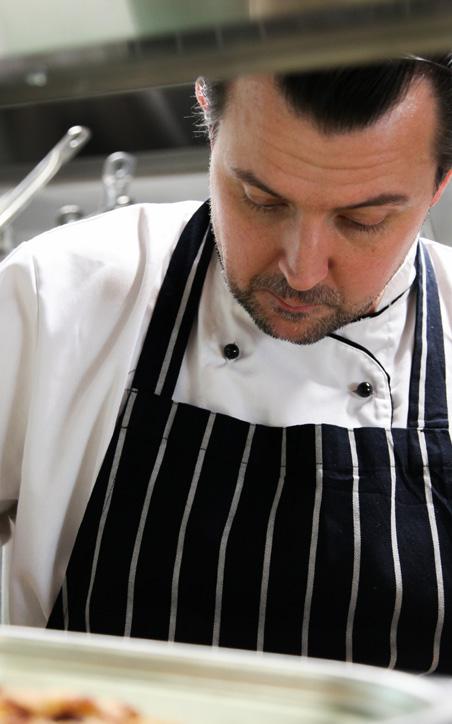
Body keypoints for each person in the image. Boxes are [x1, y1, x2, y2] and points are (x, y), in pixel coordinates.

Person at [0, 55, 451, 676]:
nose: (302, 269)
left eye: (362, 220)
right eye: (261, 200)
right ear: (209, 121)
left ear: (440, 184)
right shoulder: (57, 294)